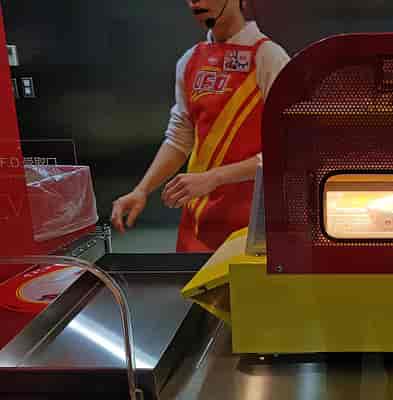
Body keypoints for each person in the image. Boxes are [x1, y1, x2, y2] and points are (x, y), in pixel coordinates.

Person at [111, 0, 290, 252]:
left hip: (254, 230)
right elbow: (179, 138)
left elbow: (288, 152)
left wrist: (214, 178)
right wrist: (141, 190)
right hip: (196, 229)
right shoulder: (190, 60)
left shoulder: (269, 57)